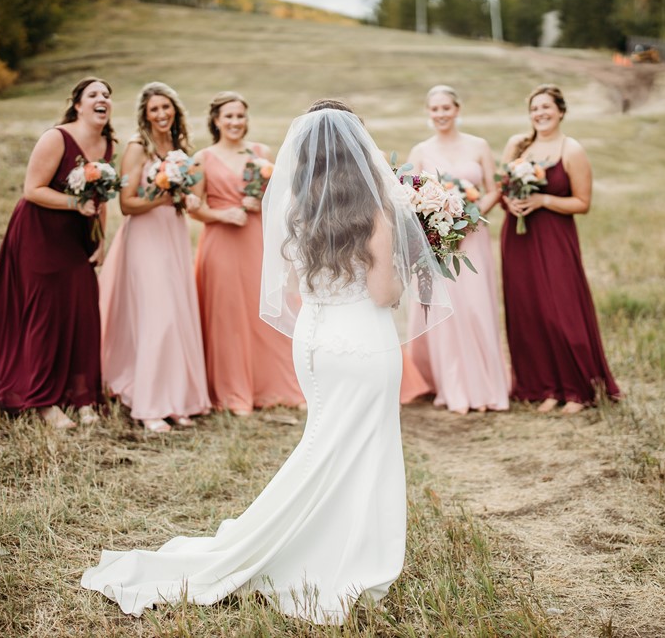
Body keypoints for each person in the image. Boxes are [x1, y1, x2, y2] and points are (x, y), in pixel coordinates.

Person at [81, 100, 452, 624]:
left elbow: (296, 286)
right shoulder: (376, 210)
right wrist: (407, 264)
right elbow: (382, 293)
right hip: (362, 342)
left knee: (323, 443)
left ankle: (296, 538)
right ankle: (342, 554)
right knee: (363, 451)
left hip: (314, 340)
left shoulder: (298, 202)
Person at [0, 77, 114, 429]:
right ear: (78, 104)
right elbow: (31, 190)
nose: (103, 99)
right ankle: (43, 401)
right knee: (45, 314)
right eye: (93, 94)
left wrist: (100, 240)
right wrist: (74, 202)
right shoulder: (57, 138)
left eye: (107, 95)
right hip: (39, 232)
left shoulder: (109, 143)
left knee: (83, 310)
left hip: (77, 236)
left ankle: (82, 396)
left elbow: (102, 197)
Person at [500, 84, 620, 414]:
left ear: (561, 111)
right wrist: (511, 202)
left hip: (554, 237)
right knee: (529, 311)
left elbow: (583, 203)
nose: (540, 113)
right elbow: (502, 188)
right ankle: (543, 387)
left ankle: (577, 388)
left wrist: (543, 199)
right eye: (534, 108)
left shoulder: (572, 150)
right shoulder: (518, 145)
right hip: (519, 238)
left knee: (561, 311)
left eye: (546, 107)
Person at [98, 82, 211, 433]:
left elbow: (191, 194)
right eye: (154, 110)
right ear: (146, 116)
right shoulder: (136, 147)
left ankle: (175, 399)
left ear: (175, 110)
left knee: (176, 315)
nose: (162, 114)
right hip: (145, 237)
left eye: (167, 108)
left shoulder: (179, 149)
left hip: (173, 236)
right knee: (156, 316)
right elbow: (126, 204)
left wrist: (186, 198)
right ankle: (148, 405)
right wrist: (161, 198)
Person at [189, 91, 303, 417]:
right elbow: (195, 209)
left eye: (240, 116)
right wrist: (223, 215)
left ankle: (280, 386)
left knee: (268, 307)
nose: (235, 122)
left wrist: (262, 201)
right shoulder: (202, 158)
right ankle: (233, 391)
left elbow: (281, 198)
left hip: (256, 239)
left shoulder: (259, 153)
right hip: (220, 242)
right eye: (229, 116)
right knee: (228, 315)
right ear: (215, 120)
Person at [405, 85, 509, 414]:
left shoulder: (479, 145)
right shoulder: (420, 151)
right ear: (428, 112)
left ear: (457, 109)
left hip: (473, 236)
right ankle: (450, 386)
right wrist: (436, 221)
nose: (440, 114)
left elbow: (494, 190)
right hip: (440, 242)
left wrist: (472, 216)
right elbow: (408, 197)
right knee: (446, 311)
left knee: (477, 307)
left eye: (446, 108)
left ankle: (486, 385)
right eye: (434, 109)